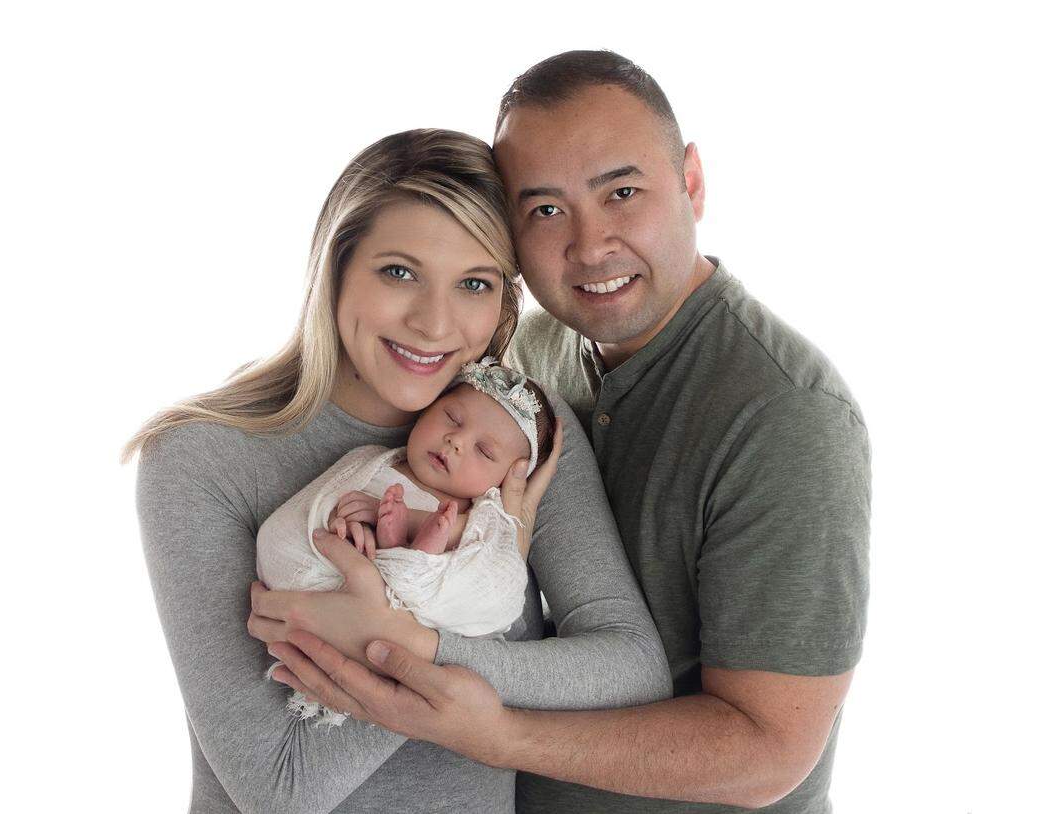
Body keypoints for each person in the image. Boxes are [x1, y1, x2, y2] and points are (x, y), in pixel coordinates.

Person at [261, 52, 871, 812]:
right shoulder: (529, 361)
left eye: (622, 193)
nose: (589, 245)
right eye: (546, 210)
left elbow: (768, 754)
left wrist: (493, 731)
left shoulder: (786, 418)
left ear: (691, 182)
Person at [127, 128, 670, 812]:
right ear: (335, 269)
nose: (434, 324)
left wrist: (417, 643)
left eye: (474, 283)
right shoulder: (204, 457)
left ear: (505, 300)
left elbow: (632, 669)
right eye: (399, 272)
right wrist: (433, 630)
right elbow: (280, 787)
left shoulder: (518, 433)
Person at [256, 360, 556, 724]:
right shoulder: (372, 462)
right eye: (451, 417)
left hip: (415, 604)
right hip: (334, 590)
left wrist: (410, 519)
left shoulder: (479, 509)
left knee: (457, 544)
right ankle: (397, 551)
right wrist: (343, 524)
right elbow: (327, 503)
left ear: (507, 479)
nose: (456, 441)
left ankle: (410, 555)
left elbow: (485, 549)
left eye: (485, 451)